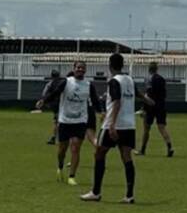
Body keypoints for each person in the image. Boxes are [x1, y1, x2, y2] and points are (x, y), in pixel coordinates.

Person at [80, 53, 153, 204]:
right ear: (122, 64)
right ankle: (129, 195)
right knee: (126, 157)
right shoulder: (129, 79)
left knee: (99, 153)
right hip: (129, 125)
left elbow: (117, 102)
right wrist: (148, 101)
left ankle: (96, 192)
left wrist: (112, 125)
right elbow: (138, 94)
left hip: (113, 125)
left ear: (110, 65)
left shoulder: (114, 81)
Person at [37, 61, 102, 186]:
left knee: (76, 147)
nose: (80, 70)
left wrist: (101, 111)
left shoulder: (88, 85)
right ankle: (60, 166)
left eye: (82, 68)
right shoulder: (66, 82)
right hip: (65, 120)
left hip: (80, 120)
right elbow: (55, 93)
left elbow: (95, 99)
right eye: (78, 67)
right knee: (62, 149)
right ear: (74, 68)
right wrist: (43, 101)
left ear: (85, 70)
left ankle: (72, 176)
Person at [139, 62, 173, 157]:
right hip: (161, 106)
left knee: (146, 128)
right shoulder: (161, 79)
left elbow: (147, 94)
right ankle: (169, 147)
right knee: (162, 127)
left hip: (150, 106)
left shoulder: (148, 79)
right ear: (157, 69)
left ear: (149, 69)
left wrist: (143, 108)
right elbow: (164, 94)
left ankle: (142, 150)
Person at [41, 69, 64, 145]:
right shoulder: (63, 82)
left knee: (56, 121)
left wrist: (45, 102)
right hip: (64, 104)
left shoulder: (50, 84)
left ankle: (55, 138)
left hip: (56, 105)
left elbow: (44, 94)